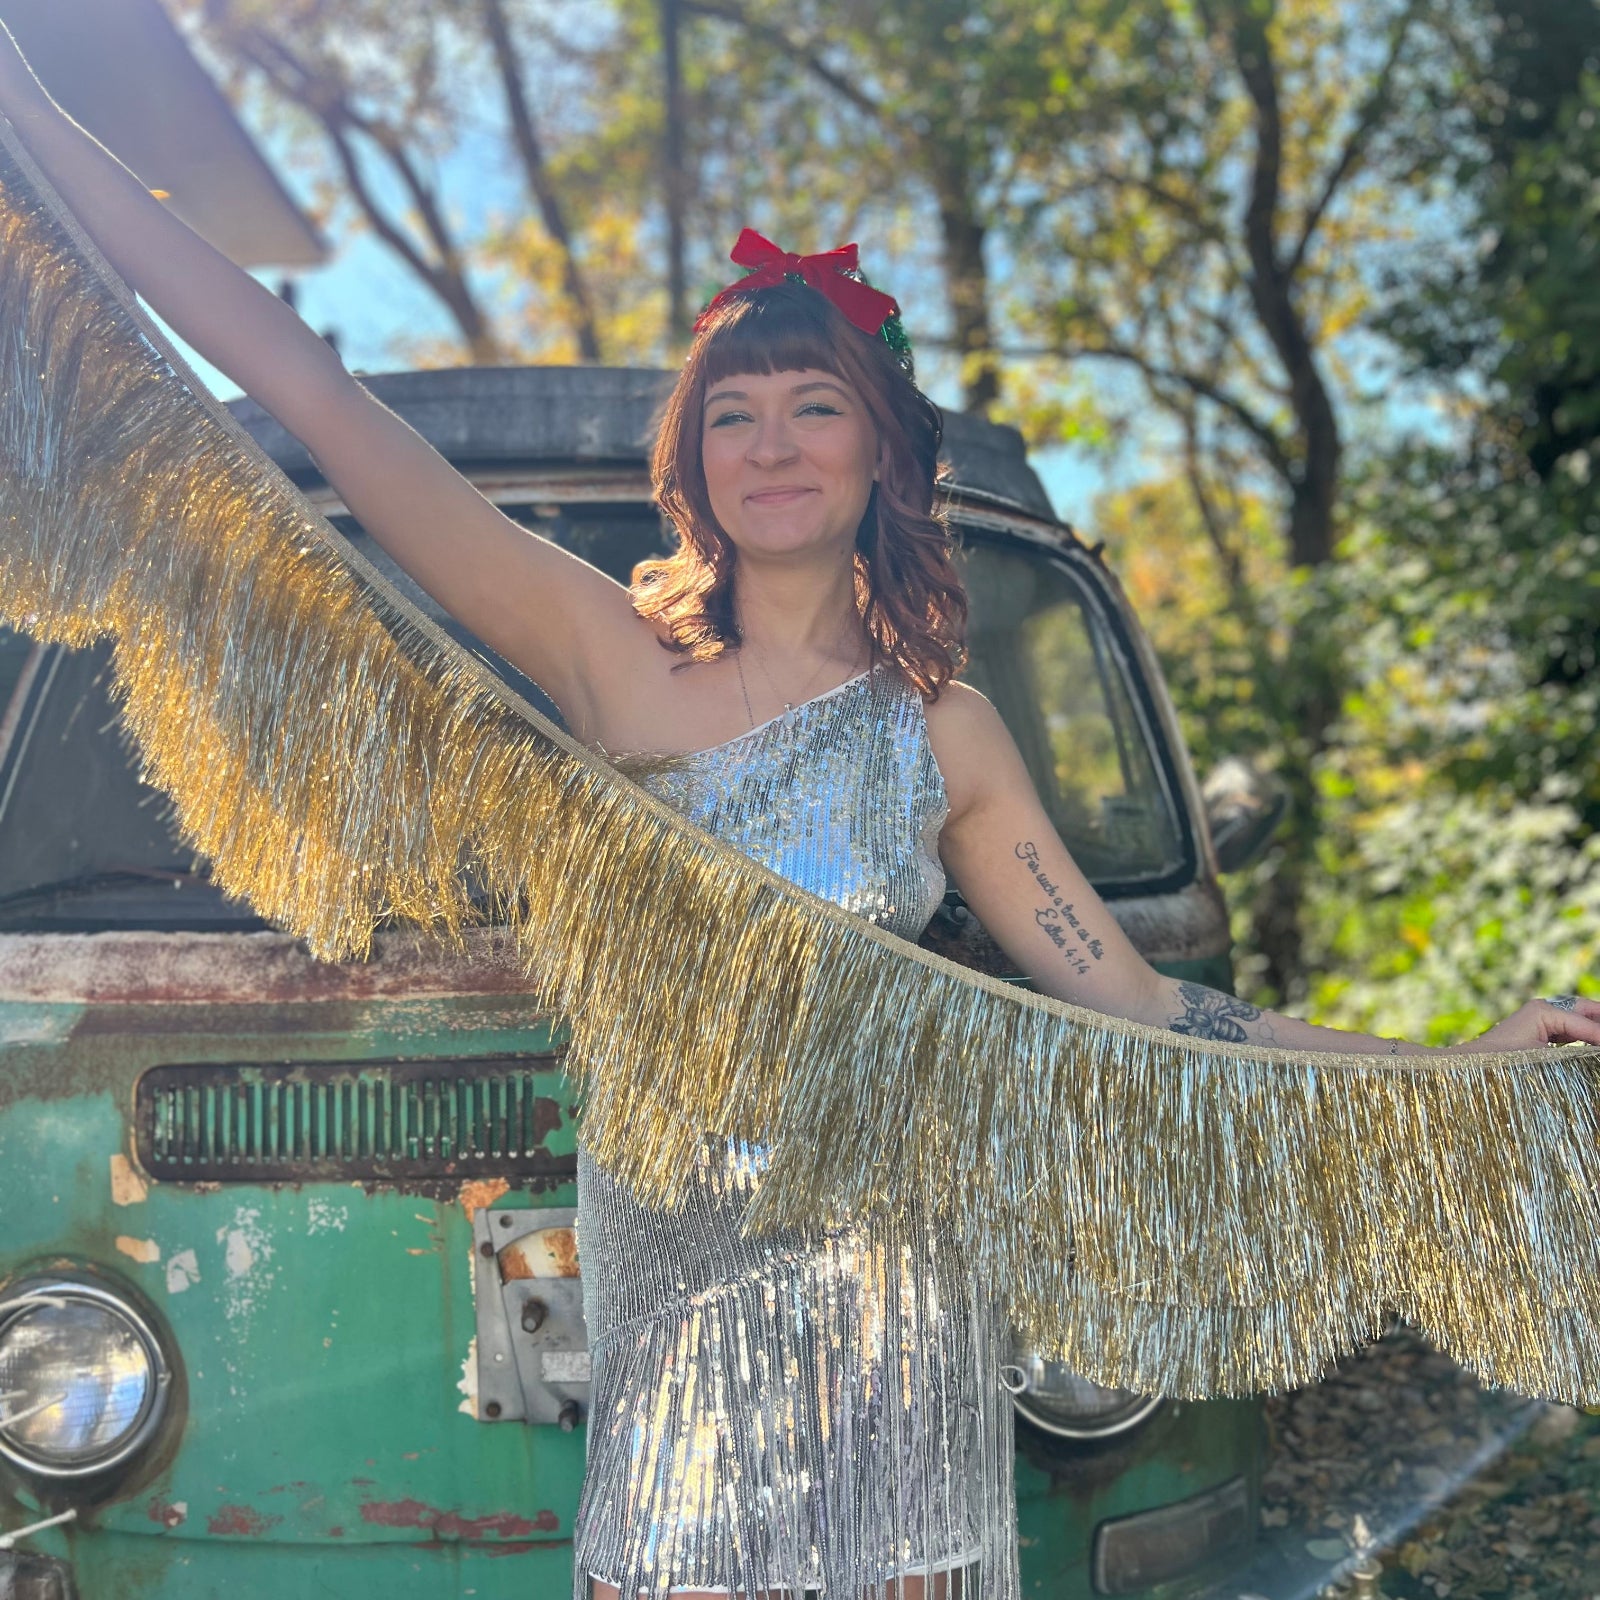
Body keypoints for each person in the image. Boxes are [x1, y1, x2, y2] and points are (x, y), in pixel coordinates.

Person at [3, 27, 1599, 1600]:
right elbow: (300, 386)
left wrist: (1451, 1066)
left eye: (814, 406)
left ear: (882, 451)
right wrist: (46, 136)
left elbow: (1143, 1003)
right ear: (694, 457)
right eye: (735, 410)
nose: (772, 441)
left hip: (899, 1311)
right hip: (678, 1304)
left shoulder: (945, 737)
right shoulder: (605, 658)